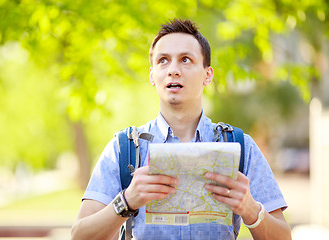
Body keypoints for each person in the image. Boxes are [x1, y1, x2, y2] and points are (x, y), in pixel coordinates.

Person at [71, 19, 292, 240]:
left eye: (185, 60)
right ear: (152, 75)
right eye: (163, 61)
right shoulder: (124, 149)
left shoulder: (240, 146)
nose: (173, 70)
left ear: (208, 75)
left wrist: (250, 209)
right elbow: (79, 236)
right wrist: (127, 201)